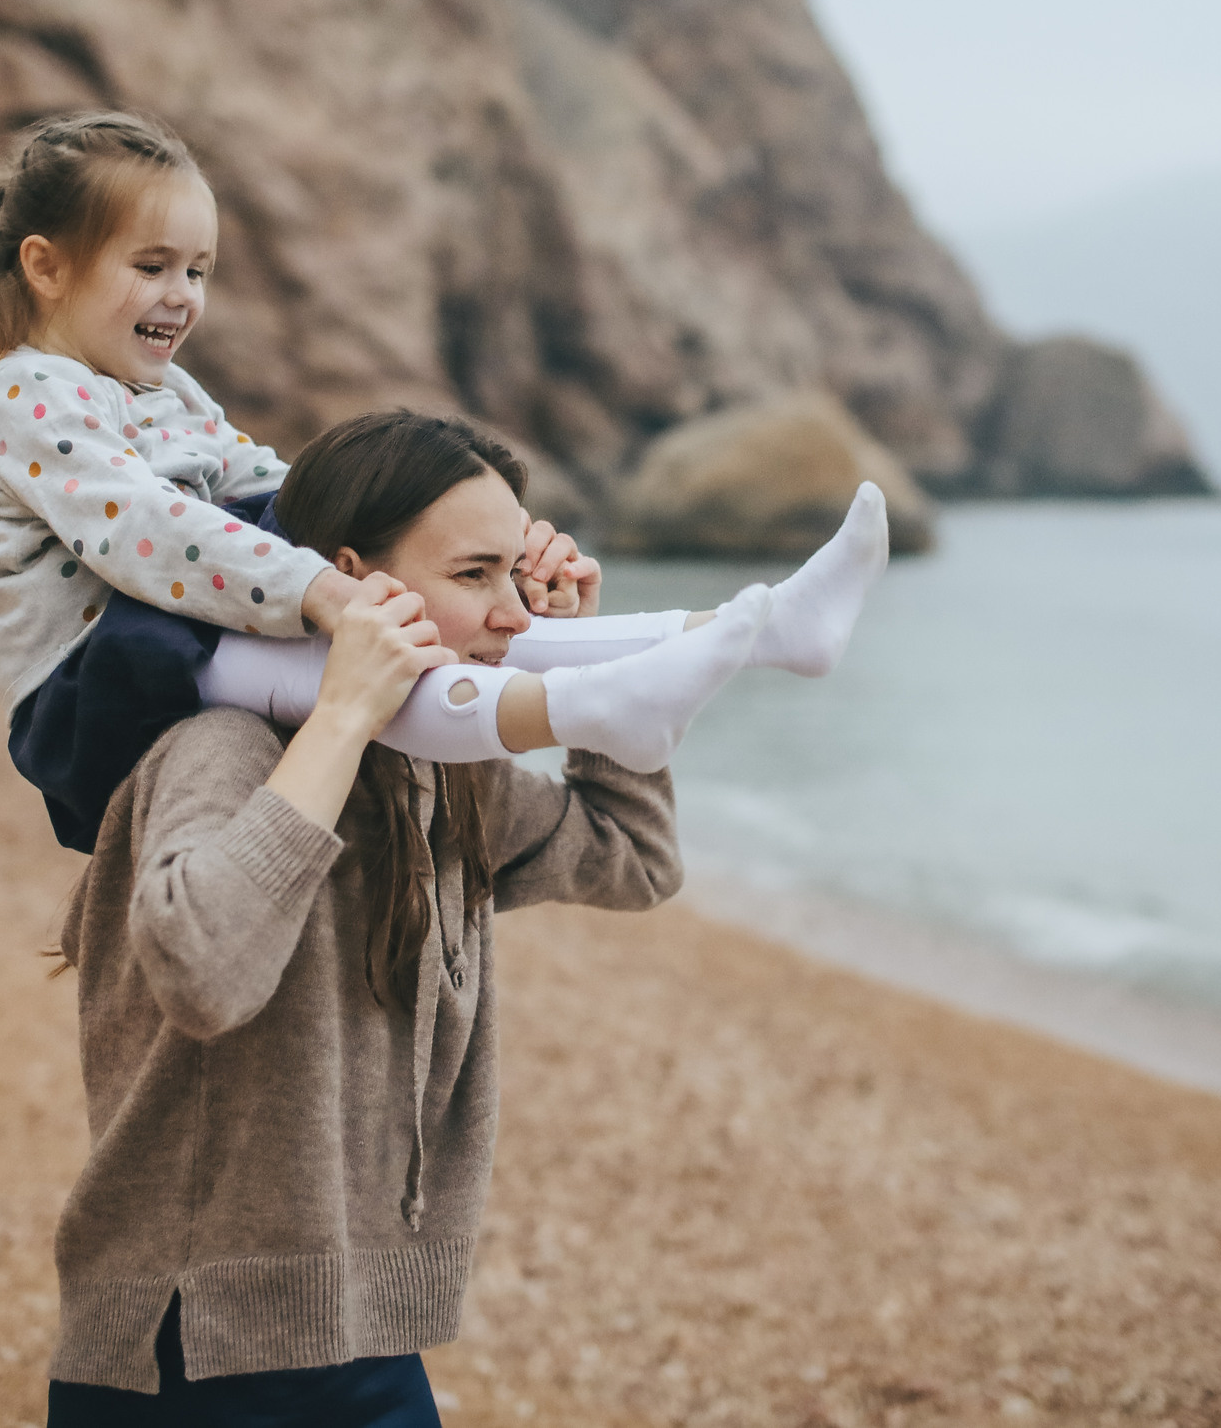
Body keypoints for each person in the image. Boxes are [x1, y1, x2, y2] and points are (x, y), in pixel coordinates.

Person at [0, 110, 889, 848]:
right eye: (153, 265)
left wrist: (430, 539)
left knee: (417, 594)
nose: (182, 297)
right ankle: (587, 712)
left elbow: (278, 486)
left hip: (168, 628)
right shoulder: (24, 395)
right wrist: (332, 592)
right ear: (45, 267)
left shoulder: (163, 390)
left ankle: (757, 629)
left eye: (200, 272)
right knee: (370, 657)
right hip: (96, 693)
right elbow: (145, 533)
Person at [42, 408, 725, 1422]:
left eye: (513, 573)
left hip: (367, 1334)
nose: (512, 616)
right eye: (473, 575)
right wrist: (347, 711)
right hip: (188, 1348)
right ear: (356, 579)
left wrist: (589, 678)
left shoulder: (444, 781)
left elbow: (631, 859)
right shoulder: (220, 749)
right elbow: (202, 976)